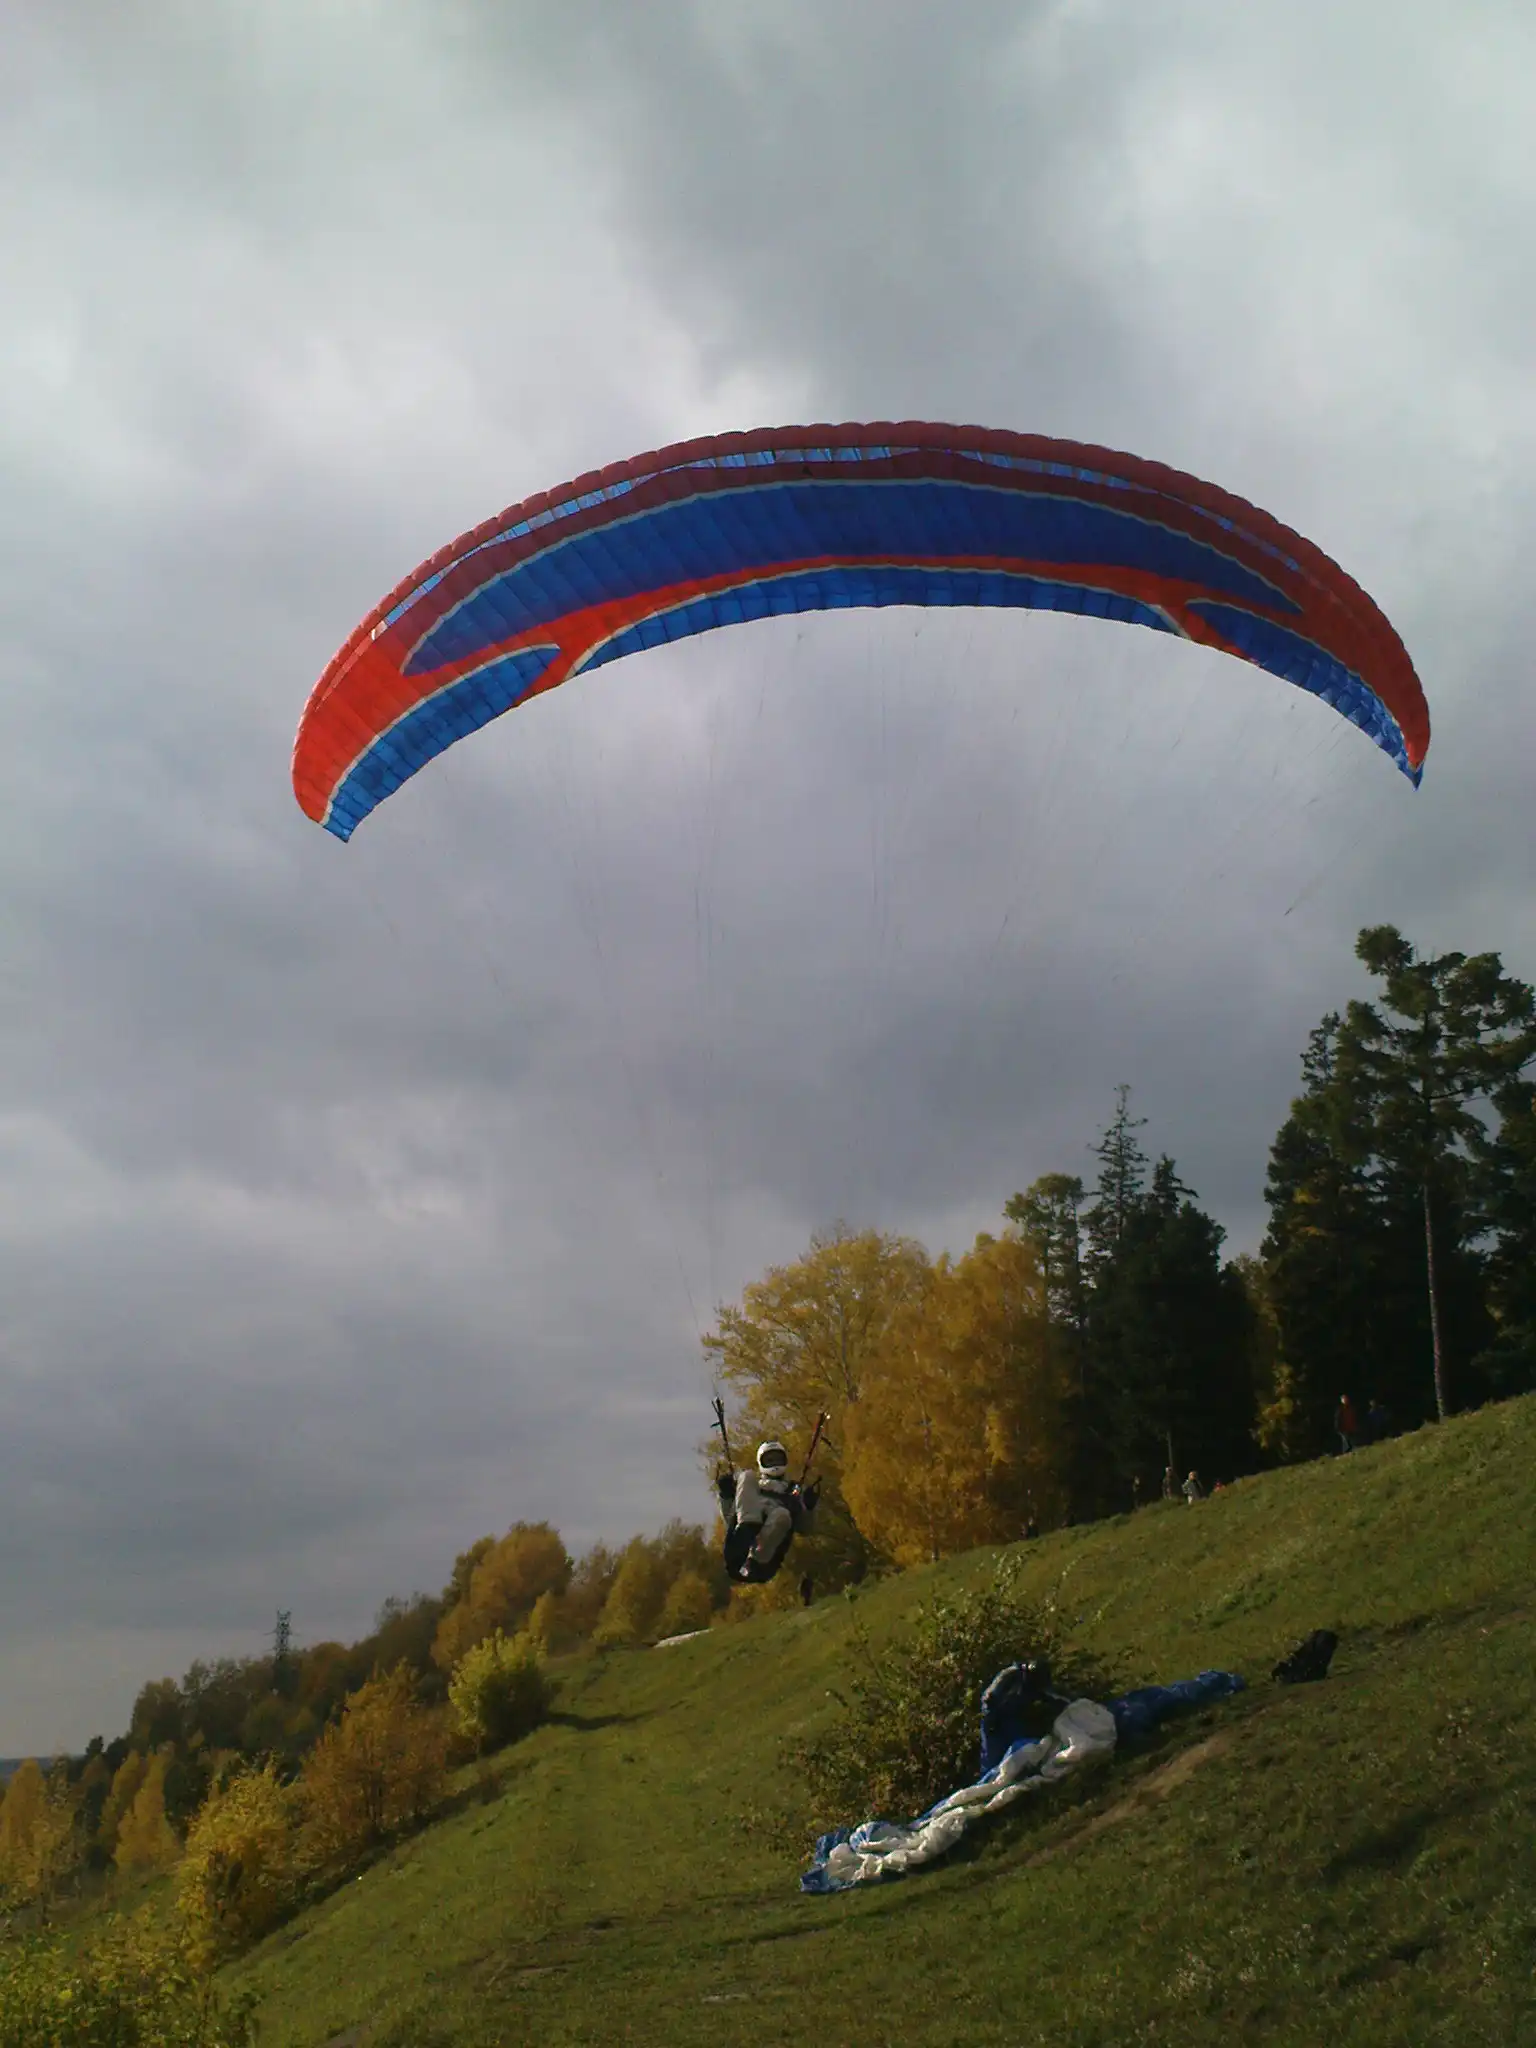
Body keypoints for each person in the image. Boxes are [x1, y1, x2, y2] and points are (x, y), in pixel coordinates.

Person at [717, 1440, 819, 1585]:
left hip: (765, 1556)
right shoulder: (752, 1488)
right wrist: (726, 1495)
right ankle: (746, 1529)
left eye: (777, 1459)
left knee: (781, 1515)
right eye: (769, 1460)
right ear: (761, 1462)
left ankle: (753, 1560)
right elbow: (731, 1518)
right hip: (748, 1531)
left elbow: (805, 1528)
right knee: (746, 1475)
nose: (774, 1464)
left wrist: (808, 1507)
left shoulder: (793, 1490)